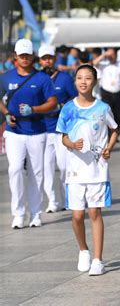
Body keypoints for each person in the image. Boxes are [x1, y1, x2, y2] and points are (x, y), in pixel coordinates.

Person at [56, 64, 118, 276]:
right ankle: (83, 249)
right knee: (76, 215)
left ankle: (98, 260)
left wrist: (108, 149)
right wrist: (72, 144)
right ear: (75, 82)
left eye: (88, 78)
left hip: (97, 169)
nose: (83, 81)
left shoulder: (102, 108)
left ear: (95, 81)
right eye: (80, 78)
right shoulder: (68, 108)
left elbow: (114, 130)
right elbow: (63, 136)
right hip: (75, 170)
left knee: (94, 211)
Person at [0, 39, 58, 229]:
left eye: (27, 55)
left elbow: (52, 102)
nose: (24, 58)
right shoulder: (6, 77)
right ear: (15, 56)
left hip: (37, 131)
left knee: (36, 173)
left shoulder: (42, 78)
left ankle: (35, 212)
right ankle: (18, 213)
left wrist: (33, 109)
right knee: (15, 169)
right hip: (14, 131)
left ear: (33, 56)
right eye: (21, 55)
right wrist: (7, 113)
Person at [38, 45, 78, 213]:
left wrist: (62, 106)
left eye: (50, 58)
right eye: (44, 58)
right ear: (39, 60)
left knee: (63, 166)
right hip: (41, 129)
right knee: (46, 167)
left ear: (55, 59)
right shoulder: (36, 78)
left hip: (61, 130)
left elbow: (75, 98)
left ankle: (66, 198)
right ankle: (52, 201)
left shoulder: (65, 78)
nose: (47, 61)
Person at [98, 48, 120, 135]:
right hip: (106, 92)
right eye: (110, 55)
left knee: (118, 114)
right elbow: (93, 63)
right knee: (108, 114)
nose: (111, 56)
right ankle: (108, 133)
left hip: (118, 92)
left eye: (113, 54)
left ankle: (116, 133)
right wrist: (104, 55)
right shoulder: (103, 64)